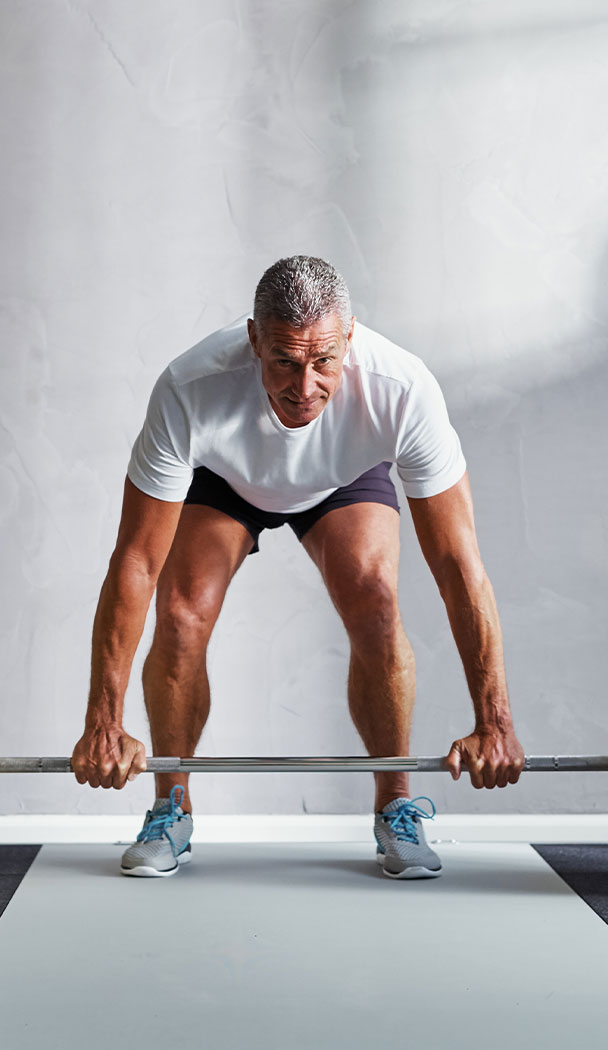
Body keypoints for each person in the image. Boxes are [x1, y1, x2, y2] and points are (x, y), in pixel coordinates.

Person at [71, 255, 524, 879]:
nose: (304, 386)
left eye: (324, 361)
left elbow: (458, 566)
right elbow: (135, 563)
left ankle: (395, 806)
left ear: (350, 336)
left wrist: (493, 721)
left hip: (342, 477)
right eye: (284, 360)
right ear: (254, 338)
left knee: (378, 602)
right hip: (225, 479)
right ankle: (170, 805)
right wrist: (104, 720)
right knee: (180, 613)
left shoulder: (403, 388)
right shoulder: (189, 388)